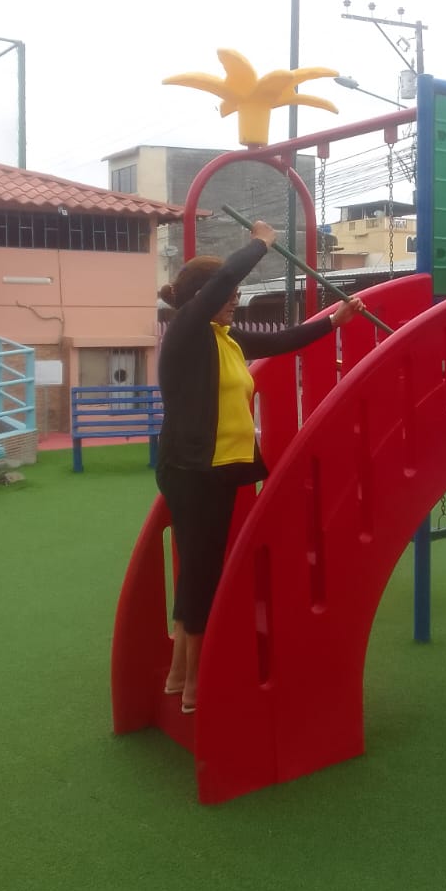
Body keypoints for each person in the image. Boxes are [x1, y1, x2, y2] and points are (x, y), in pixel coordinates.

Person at [155, 220, 365, 714]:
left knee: (198, 570)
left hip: (218, 469)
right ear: (202, 297)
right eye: (227, 295)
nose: (235, 300)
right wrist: (261, 243)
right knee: (202, 572)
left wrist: (334, 321)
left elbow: (282, 340)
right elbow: (226, 277)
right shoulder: (188, 333)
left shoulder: (224, 338)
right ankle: (194, 684)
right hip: (193, 469)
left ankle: (180, 674)